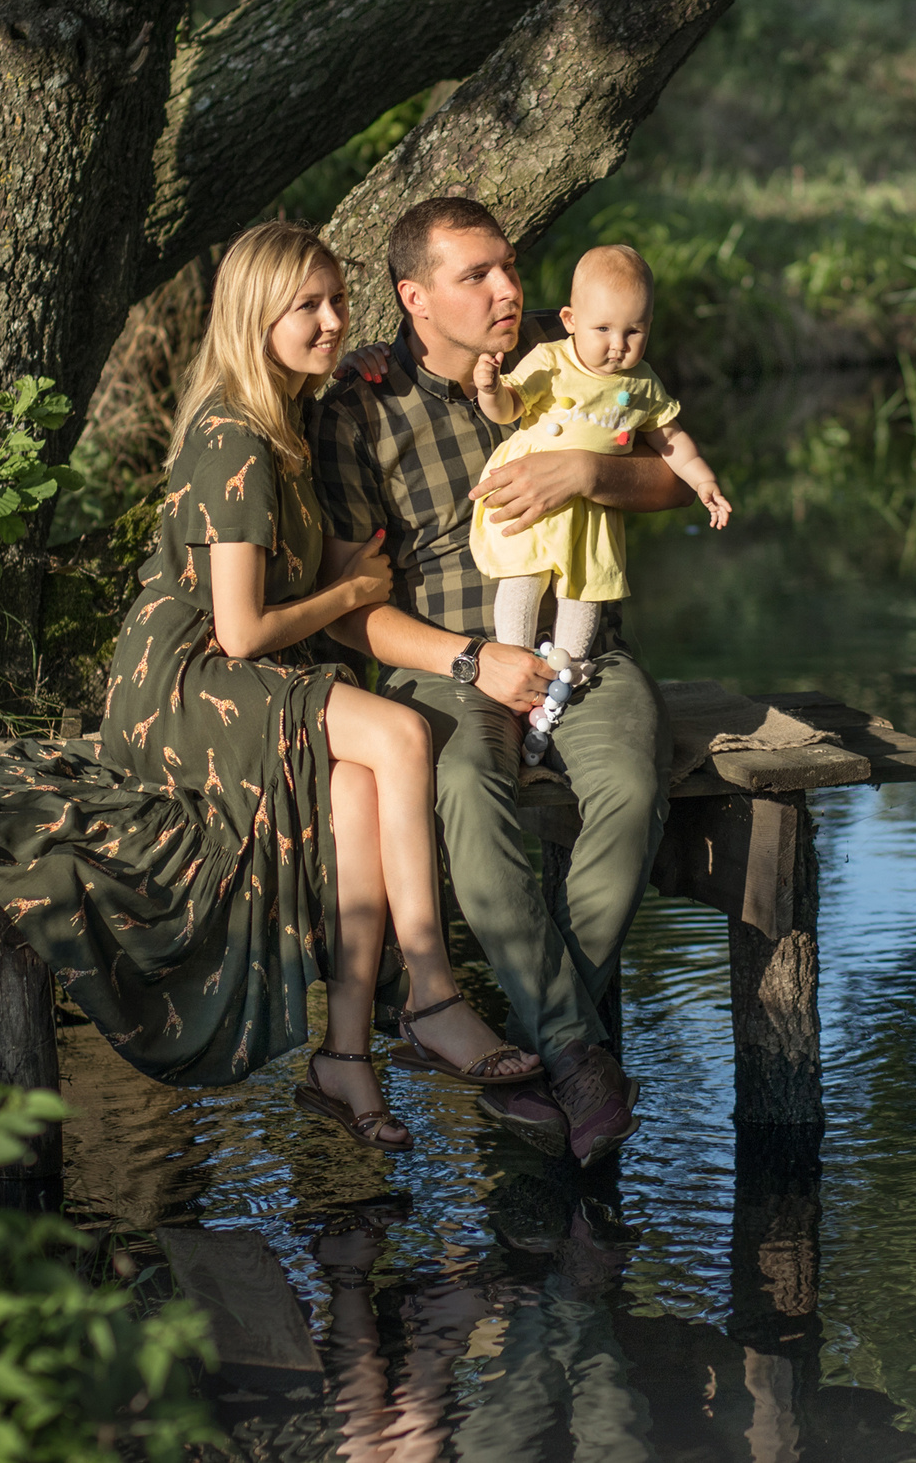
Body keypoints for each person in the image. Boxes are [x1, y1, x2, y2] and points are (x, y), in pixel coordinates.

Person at [0, 221, 536, 1152]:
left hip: (242, 673)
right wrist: (351, 592)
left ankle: (344, 1054)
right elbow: (240, 628)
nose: (334, 320)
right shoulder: (236, 439)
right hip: (190, 679)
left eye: (339, 299)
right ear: (256, 315)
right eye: (307, 305)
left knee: (355, 791)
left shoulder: (287, 419)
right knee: (404, 738)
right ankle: (431, 989)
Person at [312, 196, 695, 1168]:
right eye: (475, 276)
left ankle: (537, 1044)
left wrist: (583, 474)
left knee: (632, 787)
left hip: (583, 652)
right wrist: (473, 661)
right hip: (449, 664)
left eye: (509, 268)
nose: (506, 290)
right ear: (413, 298)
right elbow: (348, 607)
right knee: (469, 796)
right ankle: (579, 1059)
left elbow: (666, 478)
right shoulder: (360, 407)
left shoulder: (567, 355)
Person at [467, 243, 731, 764]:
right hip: (531, 502)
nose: (618, 346)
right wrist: (489, 386)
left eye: (635, 332)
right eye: (603, 330)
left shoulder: (643, 383)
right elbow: (508, 409)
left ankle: (564, 674)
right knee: (522, 579)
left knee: (585, 592)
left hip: (590, 515)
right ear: (570, 320)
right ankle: (519, 666)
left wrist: (704, 482)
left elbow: (672, 440)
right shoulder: (550, 361)